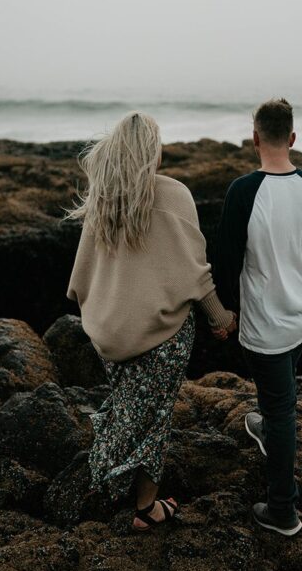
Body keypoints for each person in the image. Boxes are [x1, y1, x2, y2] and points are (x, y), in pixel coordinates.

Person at [64, 111, 236, 532]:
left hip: (109, 334)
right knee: (153, 417)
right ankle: (143, 507)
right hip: (162, 337)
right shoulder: (173, 194)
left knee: (132, 409)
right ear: (149, 152)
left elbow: (82, 276)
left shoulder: (103, 199)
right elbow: (193, 272)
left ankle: (123, 483)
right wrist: (220, 318)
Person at [214, 97, 302, 536]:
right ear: (291, 138)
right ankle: (267, 423)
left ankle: (283, 510)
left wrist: (225, 313)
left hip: (266, 324)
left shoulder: (243, 192)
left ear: (254, 139)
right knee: (279, 390)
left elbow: (226, 262)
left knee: (283, 408)